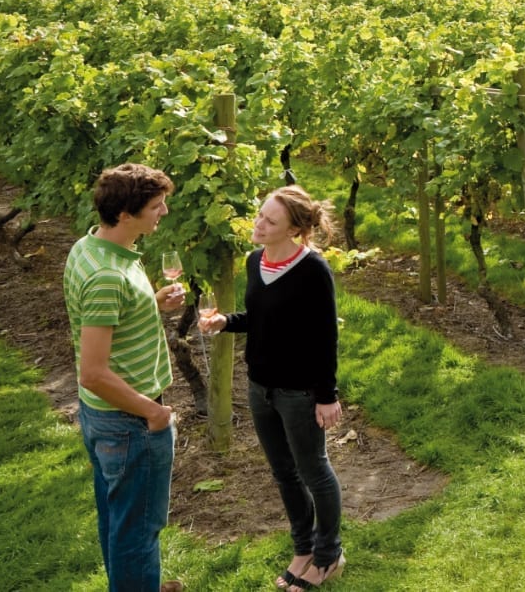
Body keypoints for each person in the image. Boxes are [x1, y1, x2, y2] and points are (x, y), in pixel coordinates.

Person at [199, 187, 344, 592]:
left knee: (314, 471)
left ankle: (329, 555)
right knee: (283, 473)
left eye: (270, 221)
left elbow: (324, 336)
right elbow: (262, 317)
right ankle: (303, 549)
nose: (258, 224)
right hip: (259, 388)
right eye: (260, 215)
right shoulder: (254, 261)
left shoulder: (313, 270)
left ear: (294, 229)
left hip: (299, 393)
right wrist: (226, 321)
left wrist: (326, 394)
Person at [67, 163, 188, 592]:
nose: (164, 212)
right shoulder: (107, 276)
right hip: (128, 420)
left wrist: (149, 303)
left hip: (107, 418)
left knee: (119, 519)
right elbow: (94, 373)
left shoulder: (92, 247)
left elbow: (104, 323)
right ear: (125, 214)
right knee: (138, 530)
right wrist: (153, 413)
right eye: (156, 206)